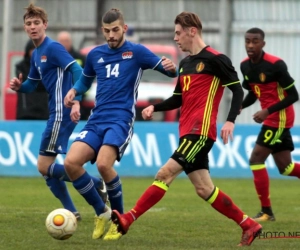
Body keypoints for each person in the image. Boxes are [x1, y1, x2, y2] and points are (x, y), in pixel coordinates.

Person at [104, 11, 263, 247]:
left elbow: (238, 91)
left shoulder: (216, 59)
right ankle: (249, 225)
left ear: (192, 31)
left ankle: (129, 218)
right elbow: (177, 99)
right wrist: (154, 107)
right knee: (204, 189)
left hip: (200, 132)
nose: (175, 38)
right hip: (186, 131)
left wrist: (230, 120)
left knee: (164, 174)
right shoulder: (185, 64)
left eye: (178, 33)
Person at [63, 8, 178, 240]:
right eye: (106, 31)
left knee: (104, 165)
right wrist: (74, 91)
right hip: (97, 119)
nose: (111, 35)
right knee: (71, 163)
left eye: (115, 30)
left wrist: (171, 67)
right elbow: (85, 80)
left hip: (120, 119)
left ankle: (119, 220)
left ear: (124, 29)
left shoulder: (136, 52)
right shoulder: (95, 54)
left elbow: (167, 70)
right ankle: (102, 212)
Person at [9, 3, 107, 221]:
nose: (32, 27)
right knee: (48, 170)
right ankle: (72, 210)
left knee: (43, 166)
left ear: (45, 25)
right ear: (25, 28)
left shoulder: (53, 48)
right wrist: (19, 87)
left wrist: (76, 101)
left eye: (36, 23)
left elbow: (78, 70)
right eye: (28, 24)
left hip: (63, 112)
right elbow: (32, 85)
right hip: (56, 113)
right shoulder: (37, 54)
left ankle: (95, 184)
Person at [239, 27, 299, 221]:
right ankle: (267, 212)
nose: (250, 45)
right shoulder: (245, 67)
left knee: (256, 158)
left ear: (263, 44)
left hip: (280, 117)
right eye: (247, 41)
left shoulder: (276, 65)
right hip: (271, 118)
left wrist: (267, 111)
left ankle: (267, 212)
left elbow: (294, 95)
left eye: (255, 41)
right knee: (286, 168)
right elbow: (253, 93)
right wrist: (240, 106)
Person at [57, 31, 91, 120]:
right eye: (61, 41)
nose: (64, 43)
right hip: (58, 99)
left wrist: (78, 96)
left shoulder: (80, 57)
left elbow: (86, 77)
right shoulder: (54, 58)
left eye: (66, 40)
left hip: (79, 99)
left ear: (71, 41)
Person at [15, 39, 49, 120]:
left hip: (44, 110)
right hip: (26, 111)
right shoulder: (20, 67)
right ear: (28, 51)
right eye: (32, 49)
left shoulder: (47, 65)